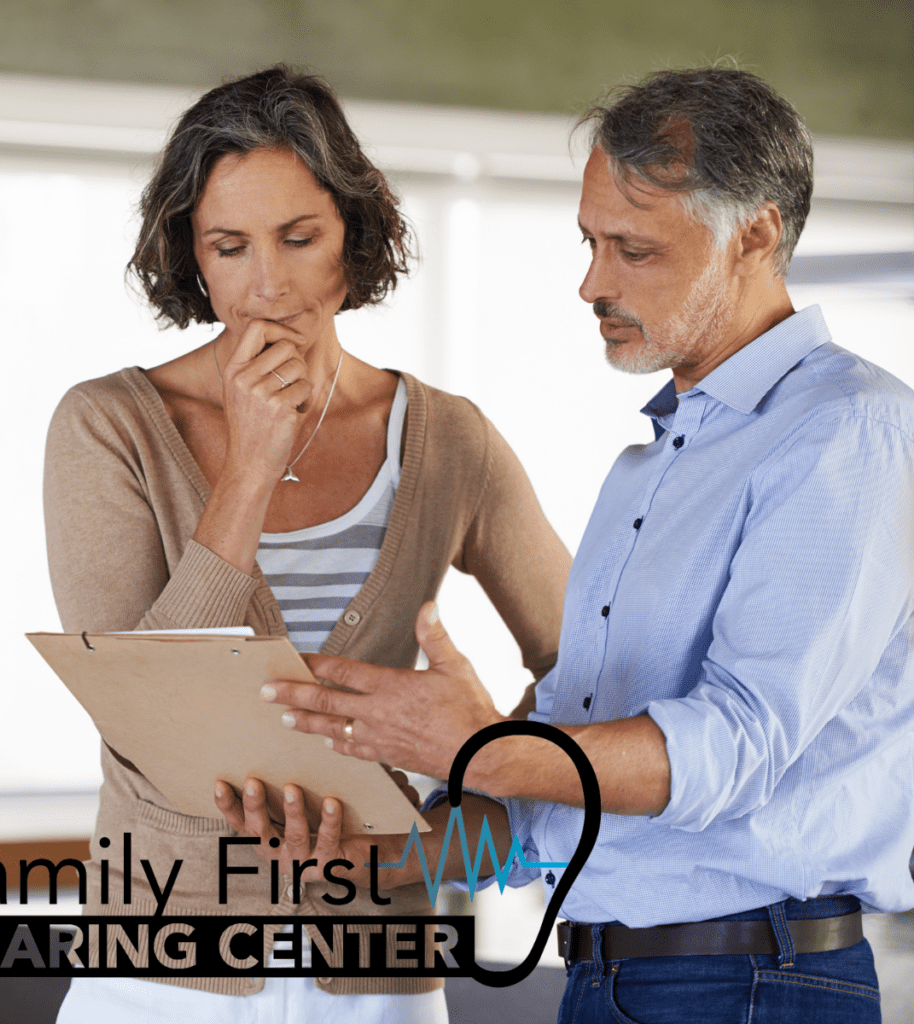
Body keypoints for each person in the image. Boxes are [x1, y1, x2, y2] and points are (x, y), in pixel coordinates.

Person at [237, 67, 914, 1022]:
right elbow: (552, 811)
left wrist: (480, 747)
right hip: (609, 979)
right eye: (591, 242)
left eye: (633, 248)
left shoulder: (847, 431)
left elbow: (732, 748)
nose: (591, 282)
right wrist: (376, 860)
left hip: (746, 983)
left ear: (755, 234)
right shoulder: (649, 469)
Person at [44, 66, 571, 1023]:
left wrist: (464, 817)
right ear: (192, 260)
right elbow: (137, 710)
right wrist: (248, 470)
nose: (270, 284)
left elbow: (593, 670)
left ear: (353, 238)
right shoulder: (108, 425)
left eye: (300, 237)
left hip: (380, 966)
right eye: (231, 246)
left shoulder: (449, 438)